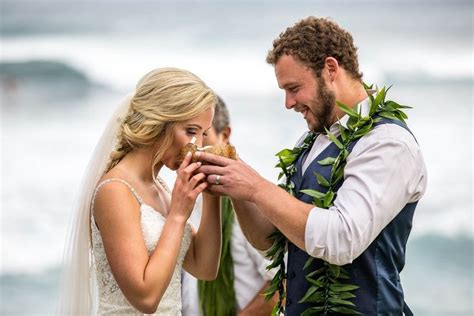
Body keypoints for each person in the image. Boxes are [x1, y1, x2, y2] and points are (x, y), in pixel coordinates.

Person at [197, 17, 427, 315]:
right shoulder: (312, 142)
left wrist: (256, 186)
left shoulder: (388, 143)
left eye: (294, 88)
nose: (288, 103)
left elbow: (342, 239)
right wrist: (237, 183)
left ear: (331, 69)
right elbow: (271, 241)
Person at [59, 67, 222, 315]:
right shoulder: (115, 191)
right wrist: (178, 214)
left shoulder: (162, 188)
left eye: (202, 134)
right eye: (191, 131)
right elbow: (145, 298)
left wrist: (212, 196)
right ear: (160, 122)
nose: (198, 146)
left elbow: (205, 267)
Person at [181, 96, 278, 316]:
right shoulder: (182, 199)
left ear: (225, 136)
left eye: (203, 135)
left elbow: (280, 285)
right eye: (189, 135)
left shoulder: (248, 206)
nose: (193, 148)